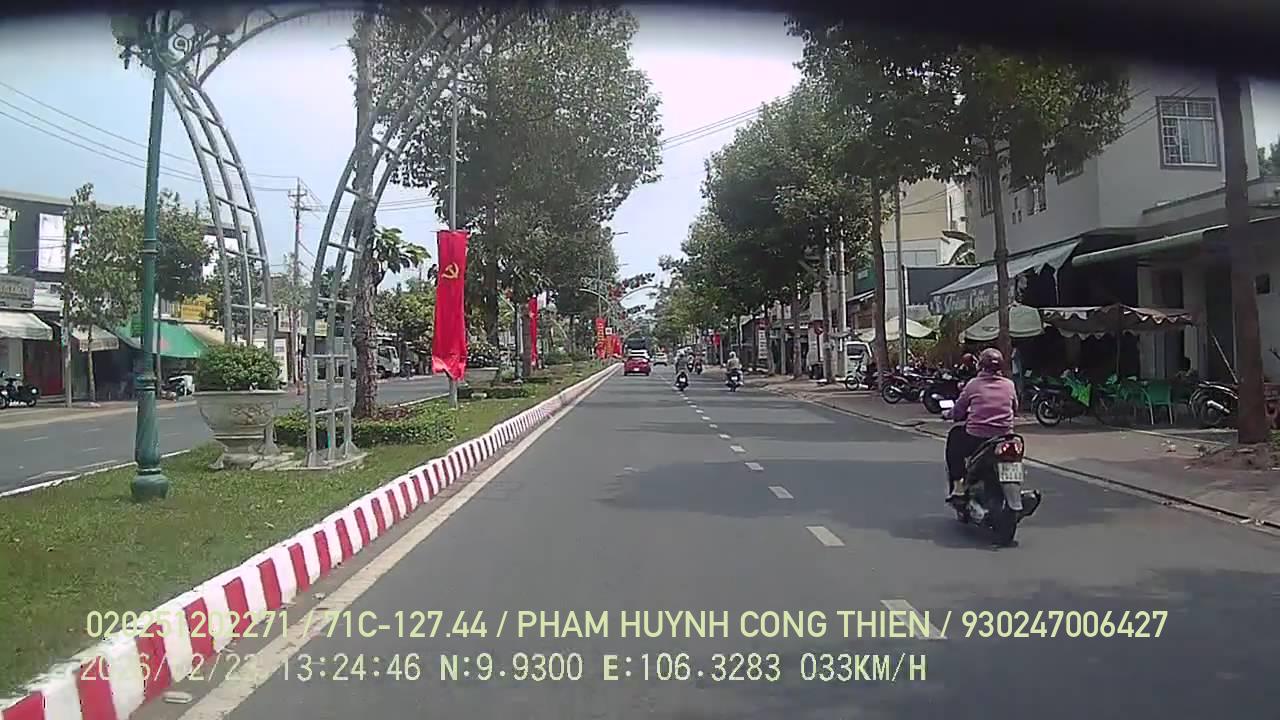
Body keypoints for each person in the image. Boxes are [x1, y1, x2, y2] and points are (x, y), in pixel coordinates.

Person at [942, 348, 1019, 500]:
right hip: (1005, 437)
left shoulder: (973, 385)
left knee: (954, 437)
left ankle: (958, 484)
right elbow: (1015, 407)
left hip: (977, 437)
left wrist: (948, 414)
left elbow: (958, 410)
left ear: (980, 366)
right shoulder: (1009, 385)